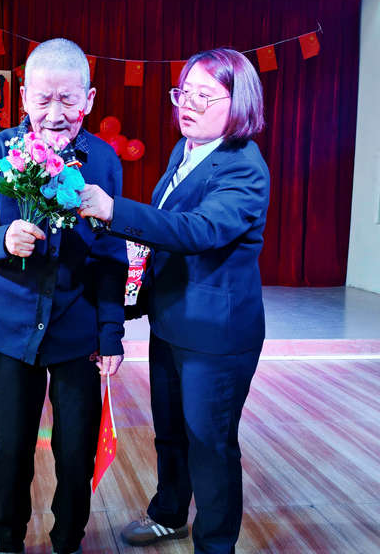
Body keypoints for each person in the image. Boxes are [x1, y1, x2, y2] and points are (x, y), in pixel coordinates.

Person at [78, 47, 269, 554]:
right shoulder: (185, 151)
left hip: (215, 337)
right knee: (170, 433)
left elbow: (197, 230)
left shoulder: (243, 168)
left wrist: (113, 210)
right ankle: (169, 515)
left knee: (210, 445)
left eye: (205, 96)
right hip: (171, 321)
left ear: (239, 103)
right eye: (184, 92)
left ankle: (215, 545)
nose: (188, 104)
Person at [0, 38, 127, 554]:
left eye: (68, 100)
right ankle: (7, 538)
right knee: (11, 448)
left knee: (75, 453)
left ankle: (68, 540)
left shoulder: (103, 160)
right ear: (24, 97)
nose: (55, 115)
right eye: (43, 99)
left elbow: (111, 255)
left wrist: (111, 333)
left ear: (89, 99)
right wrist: (2, 240)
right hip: (11, 332)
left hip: (77, 334)